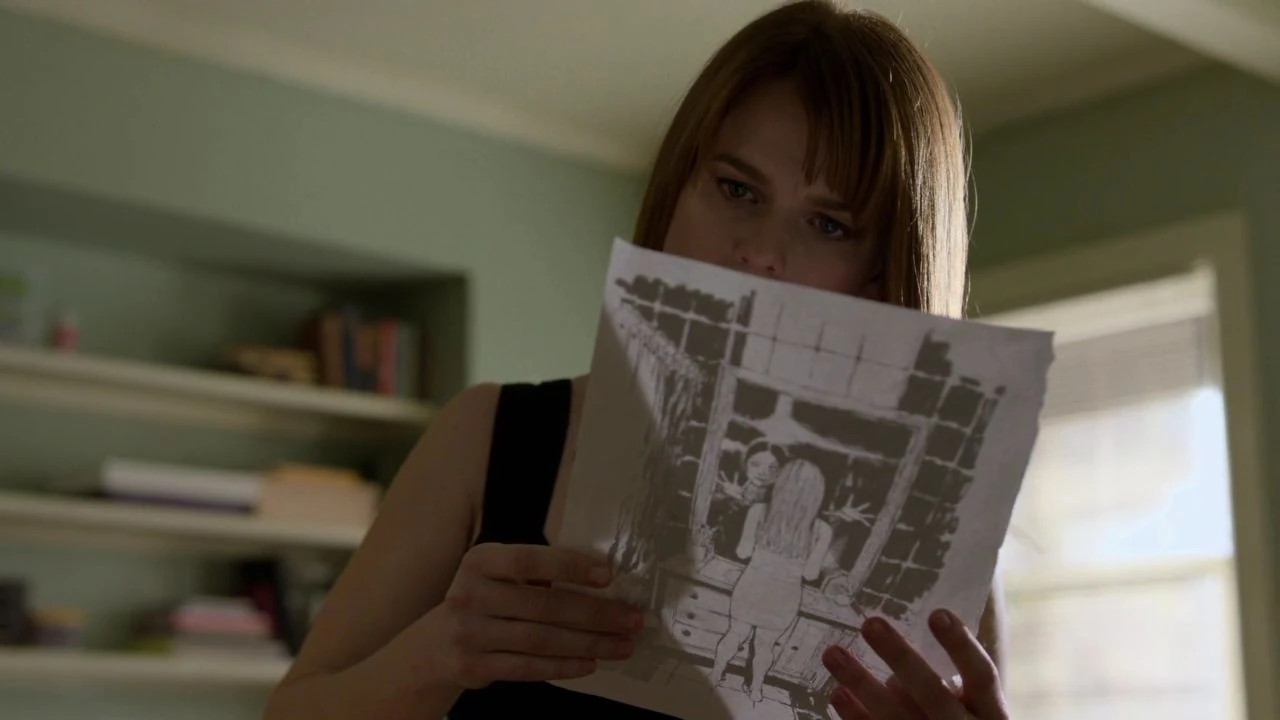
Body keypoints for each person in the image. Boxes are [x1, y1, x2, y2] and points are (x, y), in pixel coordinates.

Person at [263, 2, 1010, 719]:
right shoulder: (489, 436)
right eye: (737, 189)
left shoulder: (945, 555)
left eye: (829, 224)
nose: (761, 252)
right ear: (676, 188)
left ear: (886, 270)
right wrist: (435, 655)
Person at [710, 458, 833, 703]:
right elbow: (810, 575)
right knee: (765, 646)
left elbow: (742, 552)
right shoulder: (822, 530)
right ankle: (756, 689)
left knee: (735, 634)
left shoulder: (758, 511)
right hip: (785, 596)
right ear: (816, 494)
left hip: (753, 585)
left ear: (782, 484)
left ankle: (715, 675)